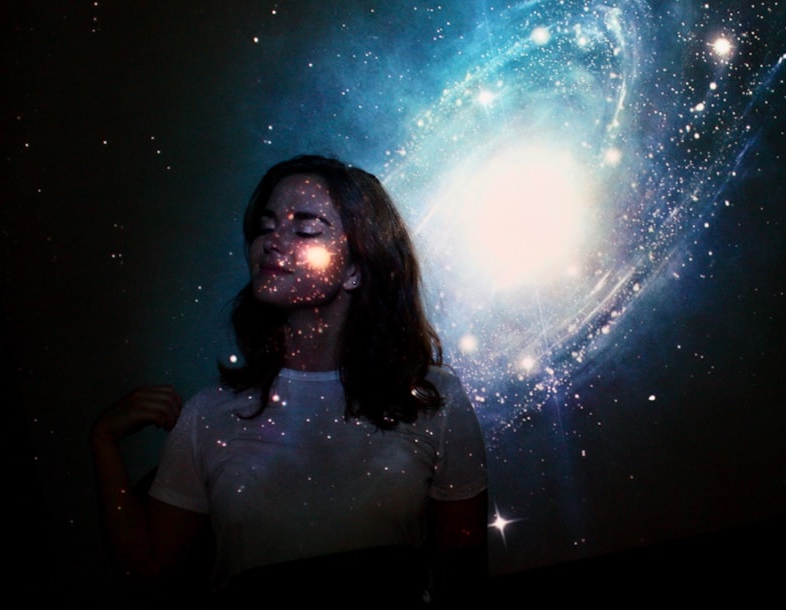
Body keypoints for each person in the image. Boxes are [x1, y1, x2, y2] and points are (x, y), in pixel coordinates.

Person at [90, 154, 489, 606]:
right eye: (265, 226)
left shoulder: (432, 400)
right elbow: (146, 579)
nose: (272, 242)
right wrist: (103, 443)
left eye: (304, 229)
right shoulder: (206, 415)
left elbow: (464, 581)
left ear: (357, 268)